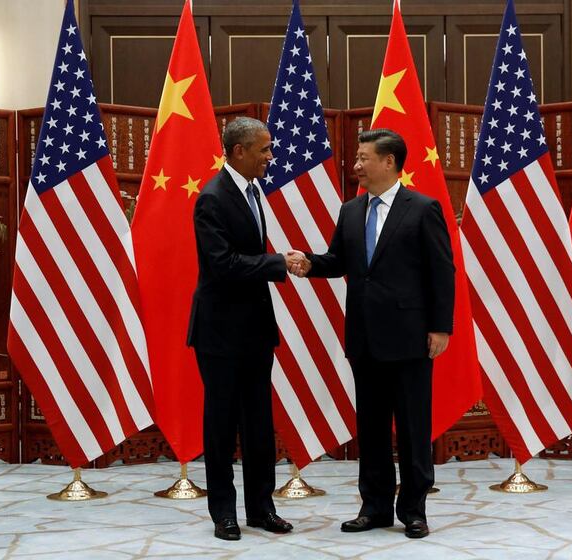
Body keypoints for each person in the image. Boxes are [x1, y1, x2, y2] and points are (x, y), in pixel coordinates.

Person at [289, 128, 455, 539]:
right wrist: (309, 263)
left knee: (414, 427)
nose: (357, 165)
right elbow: (338, 260)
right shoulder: (350, 210)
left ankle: (414, 510)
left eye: (364, 158)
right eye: (357, 158)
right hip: (364, 338)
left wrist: (440, 327)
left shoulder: (423, 208)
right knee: (372, 427)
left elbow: (442, 272)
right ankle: (375, 507)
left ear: (390, 163)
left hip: (411, 336)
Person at [187, 116, 303, 541]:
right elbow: (223, 265)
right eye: (264, 150)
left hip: (255, 328)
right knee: (220, 423)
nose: (270, 157)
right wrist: (278, 262)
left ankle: (261, 508)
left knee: (258, 422)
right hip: (219, 332)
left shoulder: (254, 192)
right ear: (239, 152)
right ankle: (224, 512)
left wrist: (272, 262)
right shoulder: (212, 199)